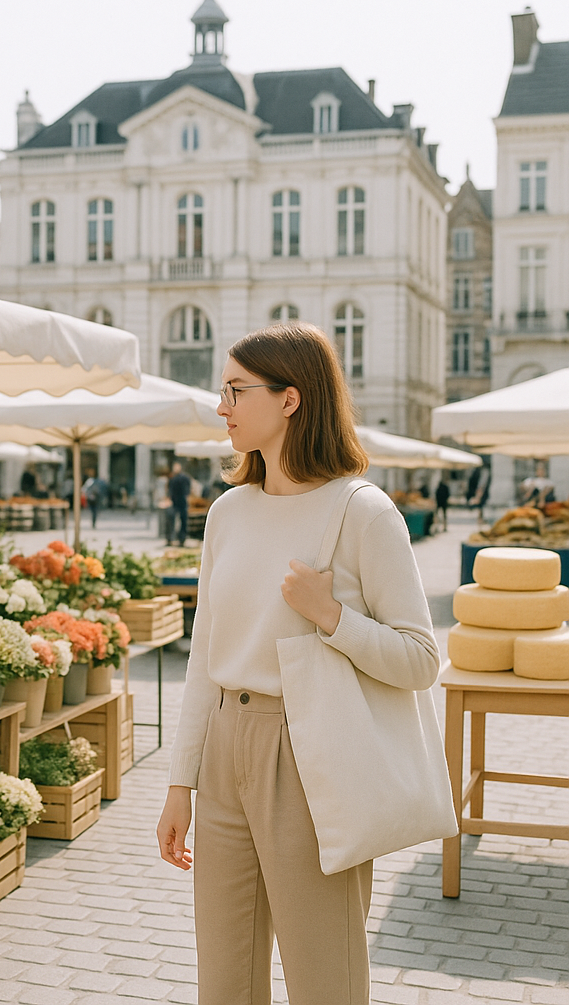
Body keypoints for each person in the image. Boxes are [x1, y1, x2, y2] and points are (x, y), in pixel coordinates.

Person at [156, 322, 441, 1005]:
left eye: (234, 390)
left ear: (290, 399)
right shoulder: (225, 513)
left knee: (325, 980)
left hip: (311, 752)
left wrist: (334, 618)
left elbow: (422, 660)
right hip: (226, 747)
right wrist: (179, 783)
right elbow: (205, 658)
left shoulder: (362, 512)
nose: (220, 406)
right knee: (224, 979)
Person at [167, 462, 192, 546]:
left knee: (179, 521)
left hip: (180, 502)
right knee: (178, 521)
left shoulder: (176, 478)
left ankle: (178, 538)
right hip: (178, 502)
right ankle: (177, 538)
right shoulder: (175, 478)